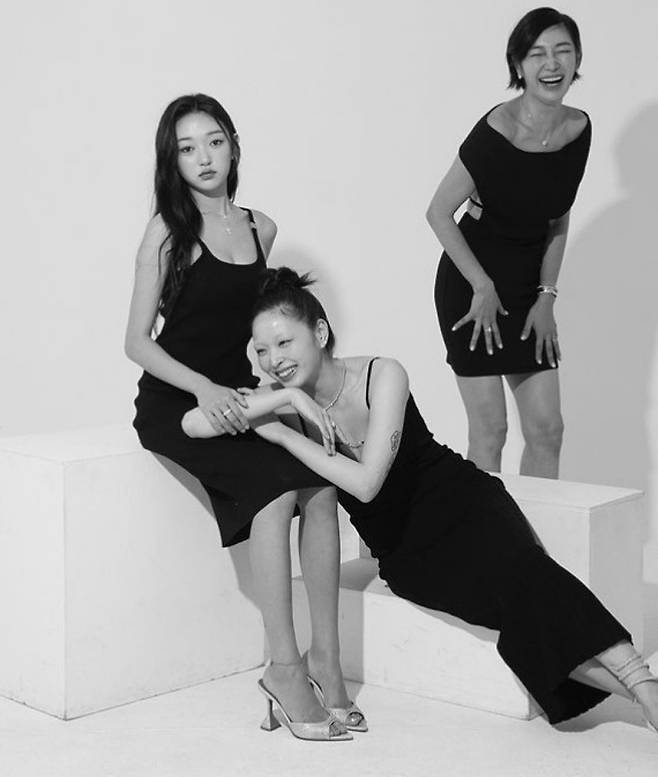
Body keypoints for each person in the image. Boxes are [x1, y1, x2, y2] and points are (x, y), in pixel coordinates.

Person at [193, 266, 657, 730]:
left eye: (284, 342)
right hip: (405, 554)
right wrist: (285, 402)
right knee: (514, 613)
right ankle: (645, 691)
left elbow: (367, 483)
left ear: (319, 332)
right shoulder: (283, 400)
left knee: (525, 575)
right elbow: (193, 424)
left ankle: (645, 690)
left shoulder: (381, 374)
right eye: (262, 350)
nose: (274, 360)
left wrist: (284, 436)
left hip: (463, 505)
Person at [125, 94, 364, 741]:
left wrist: (284, 394)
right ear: (172, 161)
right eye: (187, 148)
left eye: (214, 141)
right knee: (274, 487)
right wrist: (203, 388)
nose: (204, 158)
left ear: (233, 145)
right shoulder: (167, 231)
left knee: (322, 487)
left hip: (238, 395)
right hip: (177, 400)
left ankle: (327, 664)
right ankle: (284, 670)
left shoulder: (263, 228)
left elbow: (258, 334)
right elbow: (137, 342)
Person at [427, 7, 591, 478]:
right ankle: (486, 527)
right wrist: (482, 285)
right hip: (472, 286)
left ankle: (535, 527)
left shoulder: (578, 129)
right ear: (518, 64)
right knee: (491, 431)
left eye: (562, 51)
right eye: (537, 54)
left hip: (528, 290)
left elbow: (557, 218)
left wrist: (547, 297)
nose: (552, 64)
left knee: (548, 430)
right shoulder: (496, 132)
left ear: (577, 59)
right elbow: (438, 212)